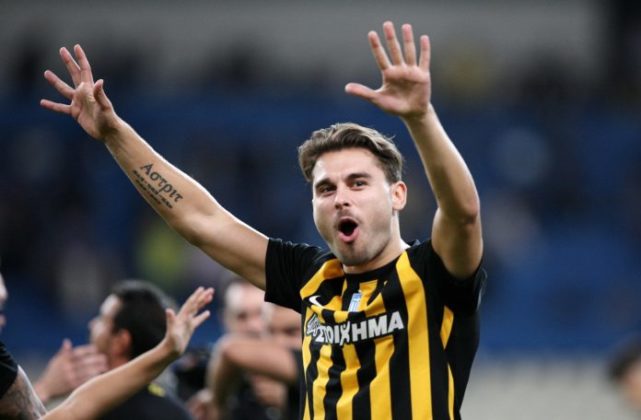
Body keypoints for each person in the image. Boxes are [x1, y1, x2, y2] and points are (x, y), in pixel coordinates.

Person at [42, 21, 486, 419]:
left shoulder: (433, 273)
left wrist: (420, 118)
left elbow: (463, 213)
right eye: (326, 189)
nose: (340, 199)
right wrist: (115, 134)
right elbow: (201, 221)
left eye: (358, 183)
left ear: (397, 196)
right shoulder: (310, 277)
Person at [0, 286, 213, 420]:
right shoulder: (176, 411)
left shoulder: (102, 412)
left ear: (121, 341)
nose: (92, 325)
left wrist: (45, 389)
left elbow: (74, 410)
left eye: (102, 319)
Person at [208, 303, 303, 419]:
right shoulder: (247, 381)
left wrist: (216, 404)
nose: (277, 342)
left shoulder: (319, 364)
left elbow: (229, 350)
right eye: (270, 331)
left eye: (291, 332)